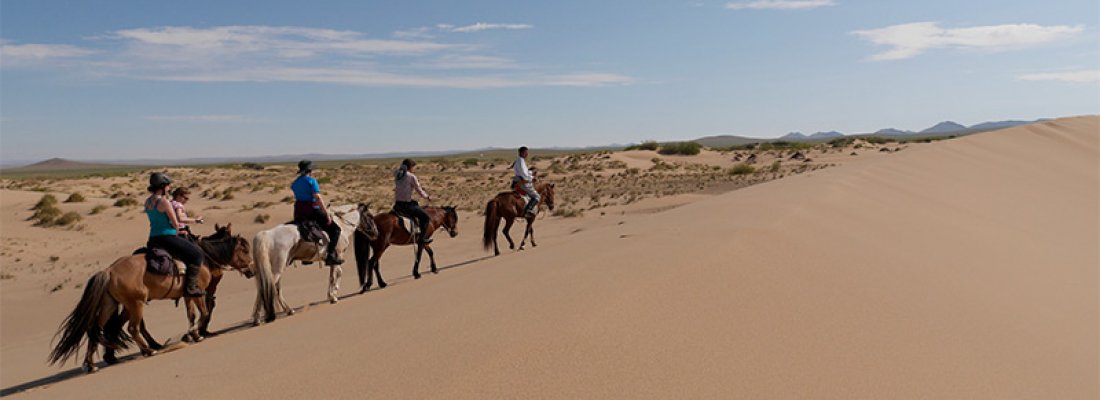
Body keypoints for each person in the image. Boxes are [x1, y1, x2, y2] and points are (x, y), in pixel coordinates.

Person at [145, 172, 205, 297]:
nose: (169, 188)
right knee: (197, 255)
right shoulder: (164, 202)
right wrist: (179, 230)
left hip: (153, 238)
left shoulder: (148, 202)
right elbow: (176, 223)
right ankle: (191, 287)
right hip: (168, 238)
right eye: (168, 185)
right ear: (162, 186)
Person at [291, 160, 343, 265]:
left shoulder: (295, 183)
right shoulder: (311, 181)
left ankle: (305, 258)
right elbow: (318, 198)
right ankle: (330, 255)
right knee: (336, 230)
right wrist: (326, 214)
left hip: (299, 211)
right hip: (312, 210)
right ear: (310, 170)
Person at [393, 159, 433, 245]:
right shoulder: (411, 176)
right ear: (410, 167)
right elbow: (418, 189)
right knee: (426, 217)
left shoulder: (397, 173)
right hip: (406, 205)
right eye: (413, 167)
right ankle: (422, 239)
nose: (413, 169)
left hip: (397, 204)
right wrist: (427, 196)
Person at [512, 146, 540, 218]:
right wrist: (532, 178)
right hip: (523, 182)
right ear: (521, 153)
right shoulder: (521, 161)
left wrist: (530, 173)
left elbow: (526, 172)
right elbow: (524, 175)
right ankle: (528, 211)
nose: (527, 154)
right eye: (526, 152)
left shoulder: (518, 160)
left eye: (527, 153)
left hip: (518, 180)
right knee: (537, 196)